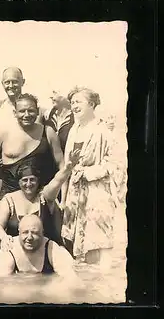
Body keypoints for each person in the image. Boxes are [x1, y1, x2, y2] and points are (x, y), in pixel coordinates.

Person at [0, 149, 80, 264]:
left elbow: (57, 181)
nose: (28, 184)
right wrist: (4, 237)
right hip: (16, 248)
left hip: (45, 247)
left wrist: (67, 168)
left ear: (38, 181)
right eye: (24, 180)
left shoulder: (45, 196)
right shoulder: (9, 199)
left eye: (32, 180)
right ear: (18, 182)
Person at [0, 93, 64, 220]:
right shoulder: (3, 133)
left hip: (40, 201)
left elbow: (62, 166)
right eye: (22, 111)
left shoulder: (48, 133)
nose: (27, 115)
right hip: (9, 201)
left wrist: (63, 199)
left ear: (38, 111)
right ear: (14, 112)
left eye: (31, 110)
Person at [61, 87, 119, 269]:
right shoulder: (73, 130)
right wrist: (63, 199)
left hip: (98, 192)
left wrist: (90, 173)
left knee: (100, 241)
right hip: (75, 192)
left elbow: (116, 163)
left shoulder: (103, 130)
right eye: (72, 102)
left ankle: (104, 287)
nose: (74, 105)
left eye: (79, 101)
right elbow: (66, 167)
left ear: (92, 104)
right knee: (79, 247)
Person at [0, 215, 79, 280]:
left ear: (42, 233)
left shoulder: (52, 248)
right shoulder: (9, 247)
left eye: (34, 233)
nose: (30, 237)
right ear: (19, 232)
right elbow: (2, 284)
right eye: (25, 232)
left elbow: (71, 278)